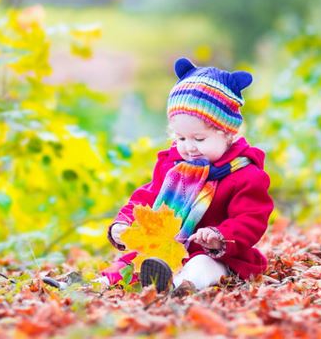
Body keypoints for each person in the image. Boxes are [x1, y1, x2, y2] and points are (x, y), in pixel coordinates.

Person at [103, 57, 274, 294]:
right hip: (167, 247)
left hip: (214, 253)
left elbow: (251, 219)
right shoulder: (173, 165)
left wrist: (220, 237)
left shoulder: (246, 174)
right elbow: (147, 198)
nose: (189, 147)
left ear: (227, 133)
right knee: (131, 260)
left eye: (199, 139)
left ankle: (175, 286)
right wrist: (123, 224)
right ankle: (96, 286)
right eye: (181, 138)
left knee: (202, 265)